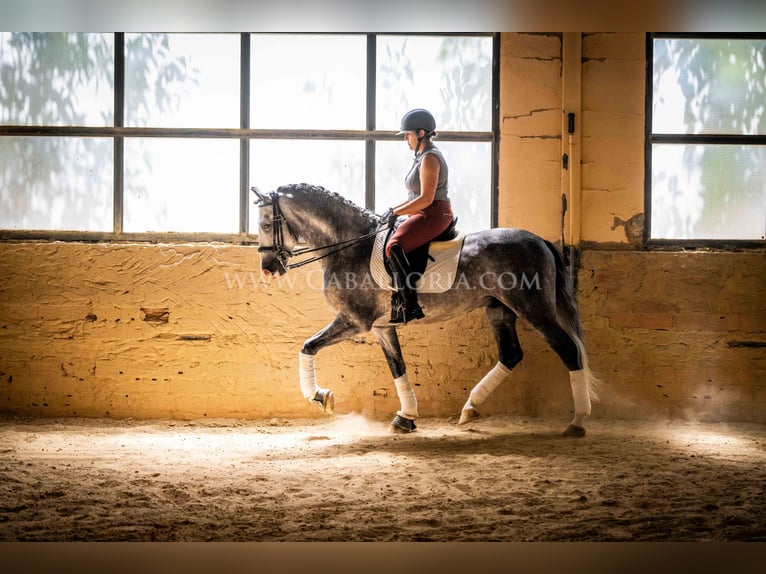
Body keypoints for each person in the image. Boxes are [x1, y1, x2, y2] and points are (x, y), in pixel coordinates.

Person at [382, 108, 454, 324]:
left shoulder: (430, 158)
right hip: (422, 211)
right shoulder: (421, 156)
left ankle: (410, 304)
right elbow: (414, 196)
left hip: (434, 213)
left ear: (421, 133)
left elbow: (426, 199)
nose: (406, 139)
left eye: (408, 135)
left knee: (394, 245)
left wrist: (397, 212)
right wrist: (393, 209)